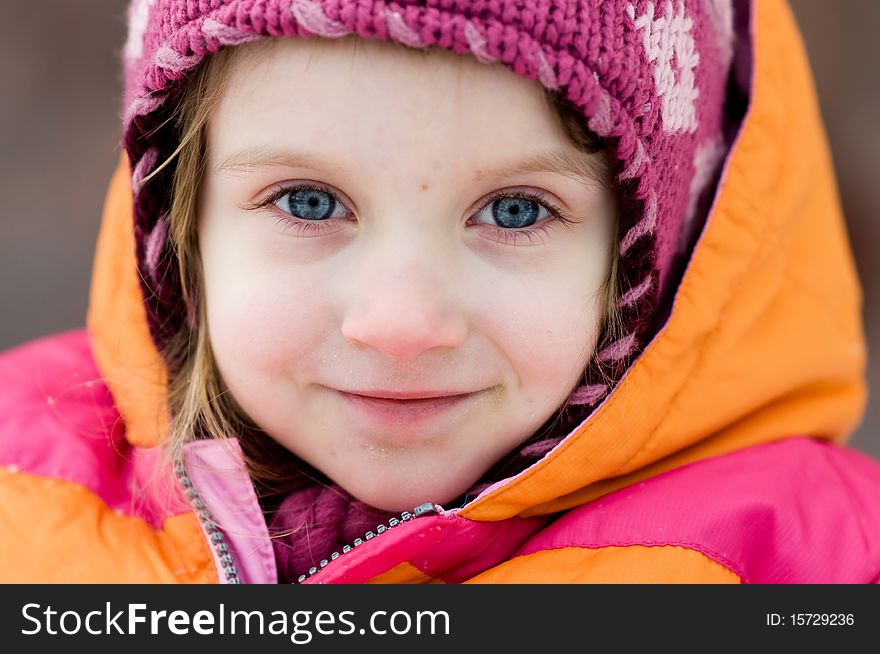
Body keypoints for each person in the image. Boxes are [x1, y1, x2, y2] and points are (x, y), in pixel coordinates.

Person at [1, 0, 878, 584]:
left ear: (655, 247)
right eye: (310, 202)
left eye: (515, 209)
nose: (402, 324)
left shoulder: (810, 567)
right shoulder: (21, 499)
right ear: (180, 222)